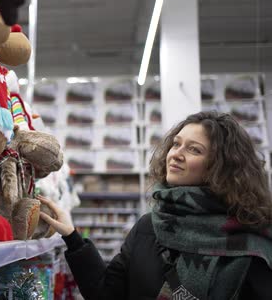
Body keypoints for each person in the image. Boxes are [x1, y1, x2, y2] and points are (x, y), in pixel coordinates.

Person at [39, 111, 272, 300]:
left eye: (194, 149)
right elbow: (106, 293)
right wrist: (72, 237)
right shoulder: (149, 226)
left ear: (222, 166)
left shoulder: (248, 237)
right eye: (176, 144)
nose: (176, 154)